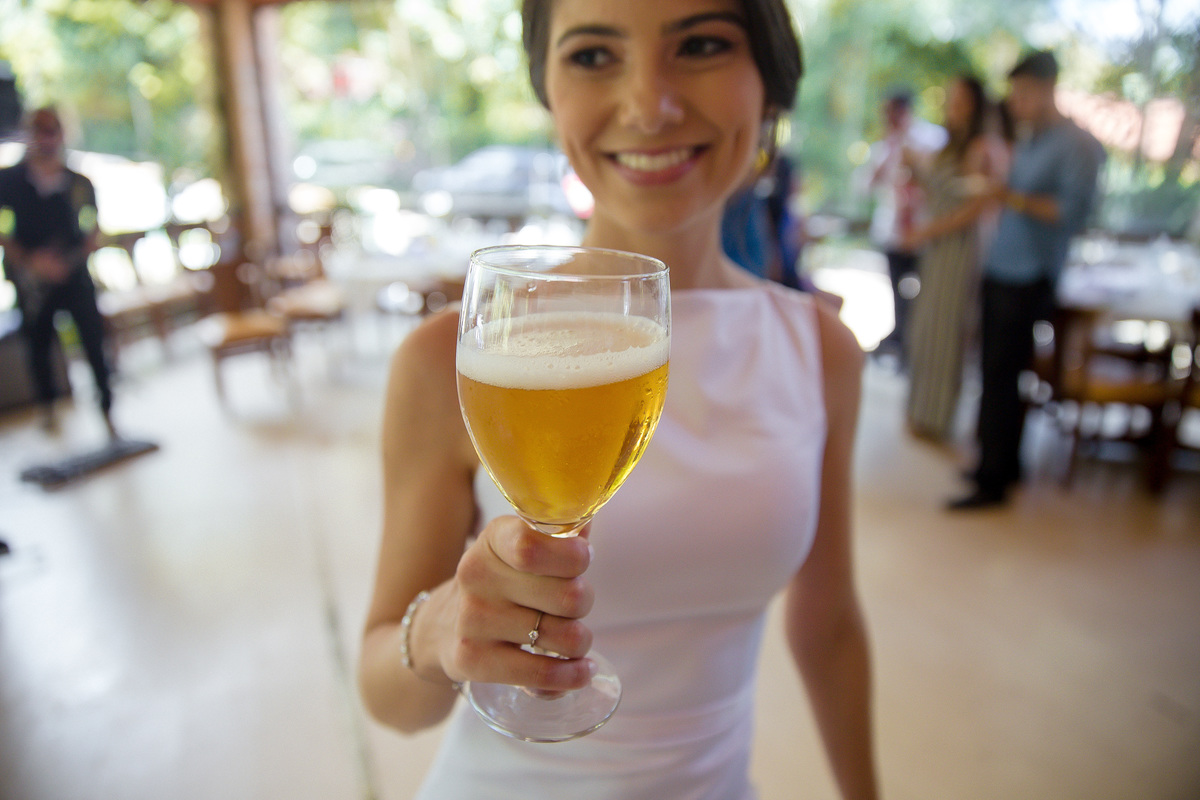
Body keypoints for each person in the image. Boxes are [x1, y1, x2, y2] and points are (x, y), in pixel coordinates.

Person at [358, 1, 879, 798]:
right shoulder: (455, 357)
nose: (648, 105)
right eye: (594, 56)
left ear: (771, 79)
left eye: (702, 44)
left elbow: (830, 623)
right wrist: (438, 632)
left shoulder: (820, 352)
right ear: (548, 92)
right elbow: (385, 696)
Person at [949, 51, 1105, 510]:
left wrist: (1008, 196)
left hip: (1030, 274)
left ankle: (992, 481)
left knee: (1003, 372)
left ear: (1044, 88)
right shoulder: (1032, 139)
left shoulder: (1077, 145)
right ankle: (997, 463)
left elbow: (1071, 214)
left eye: (1020, 92)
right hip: (1003, 266)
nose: (1014, 101)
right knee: (994, 372)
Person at [900, 75, 1010, 442]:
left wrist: (930, 231)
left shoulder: (981, 148)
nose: (952, 106)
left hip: (959, 248)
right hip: (937, 249)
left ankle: (937, 417)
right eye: (950, 99)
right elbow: (936, 192)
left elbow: (979, 206)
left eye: (960, 99)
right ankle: (919, 411)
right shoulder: (948, 147)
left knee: (946, 332)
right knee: (925, 329)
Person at [0, 105, 117, 438]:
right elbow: (3, 230)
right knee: (37, 344)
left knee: (93, 338)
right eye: (38, 129)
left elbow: (92, 227)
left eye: (51, 130)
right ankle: (47, 405)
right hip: (30, 279)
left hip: (72, 273)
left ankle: (106, 403)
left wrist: (71, 259)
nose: (45, 137)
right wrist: (30, 261)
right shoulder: (8, 181)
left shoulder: (78, 183)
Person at [862, 86, 946, 359]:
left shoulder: (931, 138)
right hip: (894, 230)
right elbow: (867, 185)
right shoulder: (885, 144)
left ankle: (914, 343)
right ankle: (899, 341)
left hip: (923, 232)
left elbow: (940, 182)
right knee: (898, 293)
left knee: (922, 294)